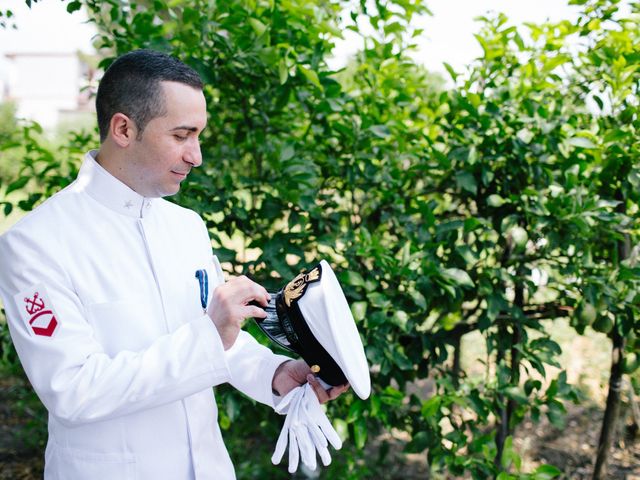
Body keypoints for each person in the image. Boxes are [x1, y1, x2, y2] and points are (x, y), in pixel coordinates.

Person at [0, 49, 348, 480]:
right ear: (124, 128)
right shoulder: (35, 243)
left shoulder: (187, 226)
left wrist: (274, 373)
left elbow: (218, 339)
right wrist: (210, 334)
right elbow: (72, 390)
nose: (196, 156)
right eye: (182, 135)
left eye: (198, 135)